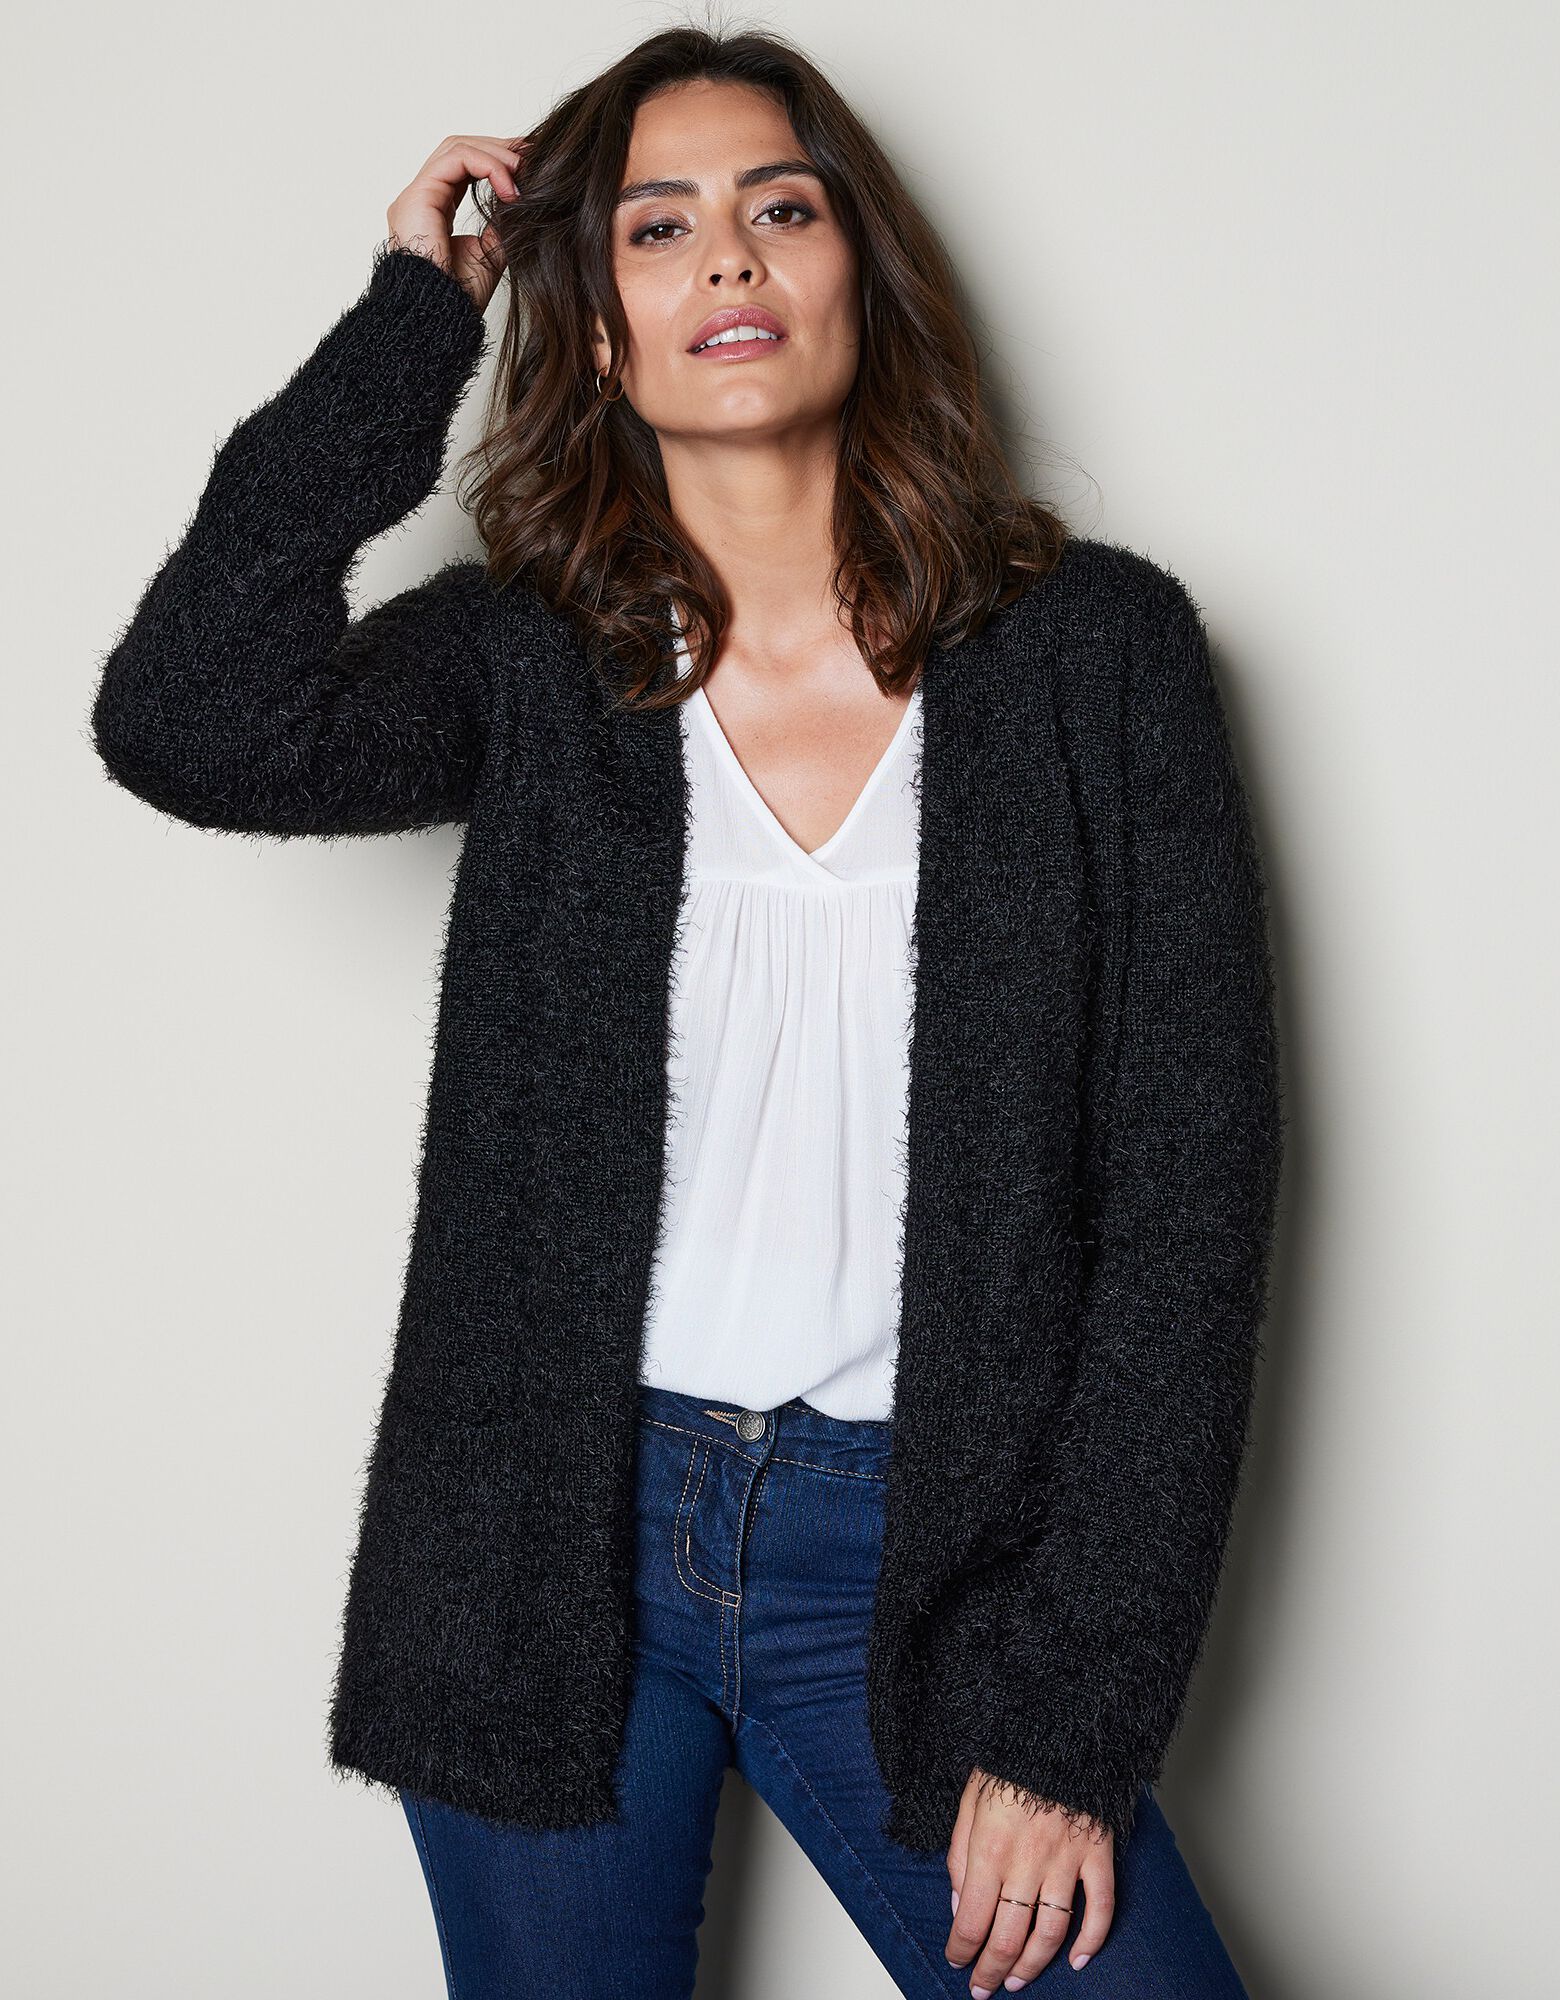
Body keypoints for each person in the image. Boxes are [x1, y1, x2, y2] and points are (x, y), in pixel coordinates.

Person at [89, 27, 1284, 2000]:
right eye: (657, 228)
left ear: (859, 274)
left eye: (779, 208)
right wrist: (412, 323)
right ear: (596, 327)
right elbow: (189, 718)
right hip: (552, 1533)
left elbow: (1187, 1214)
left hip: (928, 1561)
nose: (727, 257)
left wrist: (1071, 1718)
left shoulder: (1096, 657)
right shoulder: (537, 663)